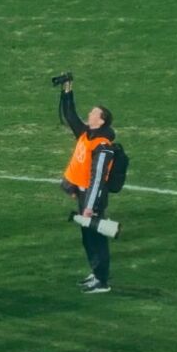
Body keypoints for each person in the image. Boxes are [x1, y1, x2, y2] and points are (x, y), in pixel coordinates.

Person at [59, 77, 118, 293]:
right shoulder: (86, 134)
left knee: (96, 238)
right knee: (87, 237)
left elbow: (98, 179)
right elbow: (70, 116)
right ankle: (96, 273)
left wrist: (90, 206)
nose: (90, 114)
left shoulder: (102, 146)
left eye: (94, 113)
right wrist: (67, 90)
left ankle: (102, 281)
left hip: (94, 197)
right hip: (84, 194)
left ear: (101, 121)